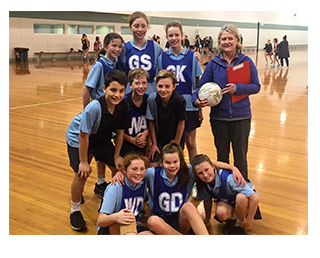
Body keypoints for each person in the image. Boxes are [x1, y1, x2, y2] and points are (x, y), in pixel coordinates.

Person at [112, 142, 246, 235]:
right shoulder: (153, 173)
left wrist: (232, 168)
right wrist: (120, 173)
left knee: (189, 207)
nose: (172, 166)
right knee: (152, 221)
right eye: (167, 162)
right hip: (161, 221)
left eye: (175, 162)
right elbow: (135, 173)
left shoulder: (188, 171)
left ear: (181, 161)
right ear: (162, 162)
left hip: (180, 220)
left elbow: (208, 164)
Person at [192, 24, 261, 180]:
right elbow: (199, 87)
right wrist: (197, 101)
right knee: (222, 156)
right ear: (219, 42)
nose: (227, 42)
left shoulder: (246, 62)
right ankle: (223, 187)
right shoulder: (213, 64)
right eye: (224, 39)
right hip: (219, 118)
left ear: (237, 40)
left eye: (230, 38)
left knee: (241, 157)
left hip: (241, 117)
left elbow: (256, 86)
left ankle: (242, 188)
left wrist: (237, 88)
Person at [66, 70, 130, 231]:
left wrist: (116, 156)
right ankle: (74, 210)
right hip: (78, 138)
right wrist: (83, 162)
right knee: (82, 173)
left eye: (121, 91)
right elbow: (83, 136)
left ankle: (111, 202)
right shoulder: (93, 108)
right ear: (104, 89)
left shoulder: (123, 106)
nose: (117, 95)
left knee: (118, 168)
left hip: (100, 137)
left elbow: (120, 133)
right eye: (113, 90)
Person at [82, 32, 124, 196]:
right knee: (90, 154)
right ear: (105, 46)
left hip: (110, 115)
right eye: (113, 45)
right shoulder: (100, 65)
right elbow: (87, 89)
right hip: (98, 115)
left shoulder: (115, 64)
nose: (117, 49)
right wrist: (87, 112)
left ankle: (100, 182)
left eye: (120, 46)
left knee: (102, 149)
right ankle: (80, 191)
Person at [157, 21, 203, 161]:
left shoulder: (191, 57)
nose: (174, 38)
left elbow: (197, 82)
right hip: (170, 105)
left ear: (182, 36)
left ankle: (194, 175)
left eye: (177, 34)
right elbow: (159, 82)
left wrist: (199, 108)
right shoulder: (162, 58)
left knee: (190, 142)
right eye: (170, 35)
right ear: (167, 37)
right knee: (173, 143)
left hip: (189, 105)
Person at [191, 154, 260, 235]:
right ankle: (232, 221)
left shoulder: (229, 178)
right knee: (221, 213)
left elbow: (255, 199)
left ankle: (239, 224)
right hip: (229, 200)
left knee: (241, 198)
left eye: (206, 170)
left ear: (213, 167)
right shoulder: (203, 184)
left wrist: (248, 220)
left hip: (247, 202)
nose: (205, 175)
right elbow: (207, 200)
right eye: (200, 173)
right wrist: (207, 219)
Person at [97, 154, 153, 235]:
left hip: (134, 224)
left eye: (142, 169)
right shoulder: (115, 187)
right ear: (125, 170)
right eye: (134, 169)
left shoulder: (143, 182)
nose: (138, 173)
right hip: (112, 225)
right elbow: (100, 221)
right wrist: (116, 217)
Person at [146, 69, 186, 165]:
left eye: (167, 86)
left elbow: (181, 124)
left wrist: (175, 145)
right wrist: (154, 144)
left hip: (175, 139)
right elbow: (151, 123)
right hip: (159, 139)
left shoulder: (180, 101)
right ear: (156, 85)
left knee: (174, 165)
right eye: (160, 86)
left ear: (174, 86)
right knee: (153, 165)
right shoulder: (152, 99)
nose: (163, 90)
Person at [119, 11, 164, 95]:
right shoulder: (124, 48)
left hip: (150, 92)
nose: (140, 29)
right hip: (129, 93)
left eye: (143, 26)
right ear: (130, 27)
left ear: (147, 27)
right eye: (136, 26)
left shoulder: (155, 47)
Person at [121, 69, 150, 156]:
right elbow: (117, 129)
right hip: (127, 143)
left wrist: (145, 134)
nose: (141, 86)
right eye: (137, 83)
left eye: (144, 83)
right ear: (130, 85)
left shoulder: (150, 101)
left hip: (145, 142)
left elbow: (153, 124)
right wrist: (132, 140)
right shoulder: (123, 102)